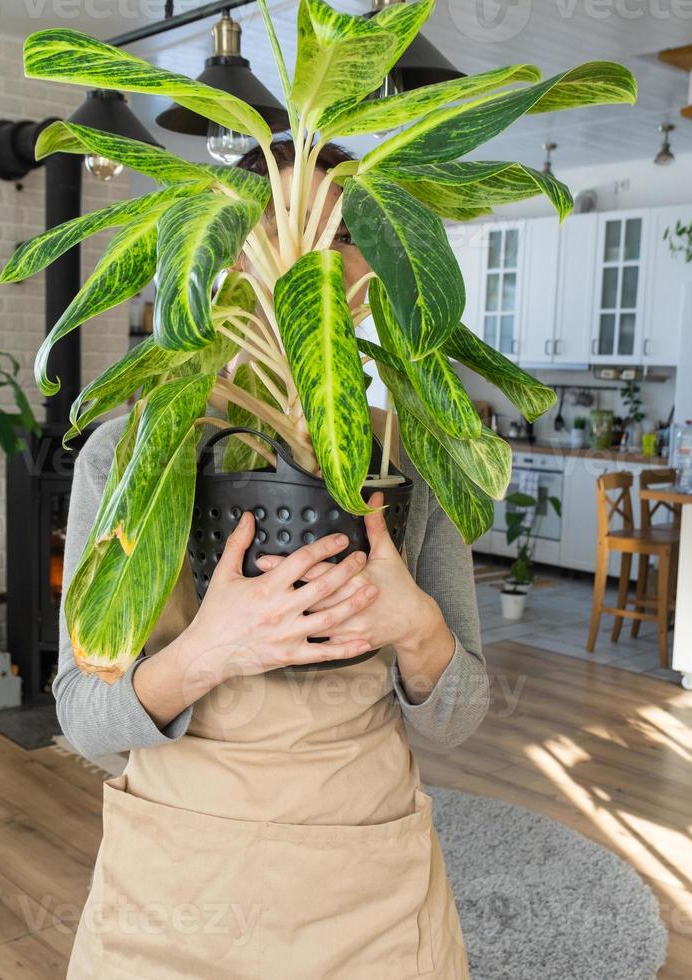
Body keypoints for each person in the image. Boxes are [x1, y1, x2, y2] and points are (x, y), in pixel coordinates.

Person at [54, 140, 488, 978]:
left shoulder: (409, 454)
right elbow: (81, 716)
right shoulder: (130, 452)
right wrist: (210, 654)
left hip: (366, 876)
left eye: (338, 239)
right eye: (274, 231)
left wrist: (420, 629)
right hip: (178, 881)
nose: (305, 265)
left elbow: (461, 718)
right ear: (221, 255)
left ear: (372, 269)